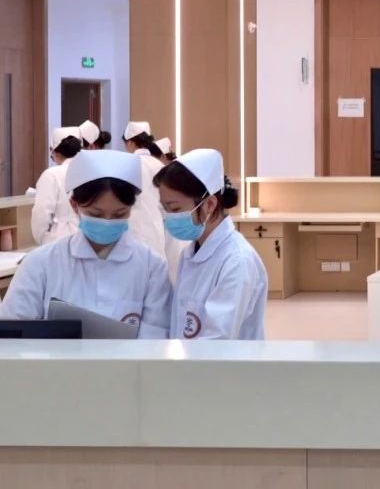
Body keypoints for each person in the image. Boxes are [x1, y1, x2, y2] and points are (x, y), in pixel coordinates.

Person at [0, 150, 171, 338]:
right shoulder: (40, 263)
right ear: (74, 205)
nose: (107, 222)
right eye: (96, 214)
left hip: (132, 359)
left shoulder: (152, 267)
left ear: (131, 208)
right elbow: (12, 332)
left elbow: (155, 338)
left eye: (119, 214)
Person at [156, 148, 267, 340]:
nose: (168, 217)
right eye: (164, 209)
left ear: (209, 204)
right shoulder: (190, 253)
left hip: (220, 359)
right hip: (190, 357)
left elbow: (217, 341)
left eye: (175, 209)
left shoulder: (237, 261)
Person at [121, 120, 166, 260]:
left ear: (130, 143)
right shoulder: (159, 165)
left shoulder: (126, 164)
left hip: (132, 229)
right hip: (156, 229)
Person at [31, 128, 82, 245]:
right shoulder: (90, 171)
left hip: (60, 239)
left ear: (56, 152)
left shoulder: (52, 174)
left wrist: (42, 238)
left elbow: (41, 212)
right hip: (88, 239)